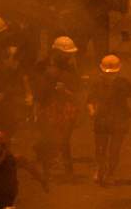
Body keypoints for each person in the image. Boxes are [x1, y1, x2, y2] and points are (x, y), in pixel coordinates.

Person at [31, 36, 81, 180]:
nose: (69, 56)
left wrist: (65, 91)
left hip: (66, 107)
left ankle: (67, 170)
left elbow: (77, 88)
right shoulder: (44, 67)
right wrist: (37, 105)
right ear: (58, 52)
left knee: (64, 139)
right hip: (49, 107)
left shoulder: (70, 67)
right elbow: (39, 88)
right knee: (49, 138)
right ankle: (48, 169)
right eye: (67, 54)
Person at [87, 54, 131, 186]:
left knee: (114, 149)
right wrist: (92, 111)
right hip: (102, 119)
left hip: (119, 119)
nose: (110, 76)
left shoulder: (124, 83)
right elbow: (90, 100)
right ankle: (100, 168)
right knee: (100, 148)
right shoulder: (97, 83)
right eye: (107, 74)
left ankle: (110, 173)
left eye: (112, 74)